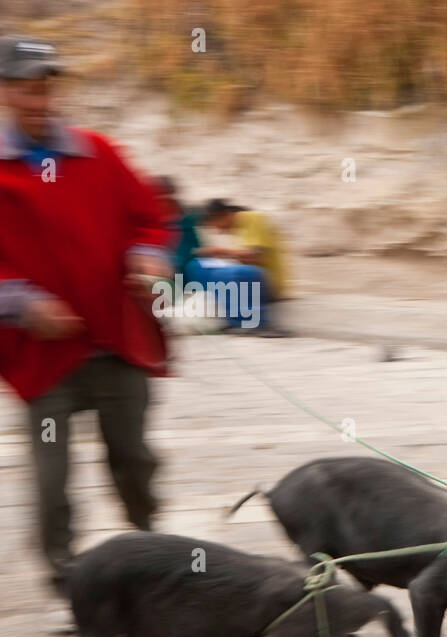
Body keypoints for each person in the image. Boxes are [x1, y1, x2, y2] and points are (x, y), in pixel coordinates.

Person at [0, 35, 171, 607]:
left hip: (116, 345)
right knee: (52, 483)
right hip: (44, 358)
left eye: (47, 85)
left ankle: (149, 557)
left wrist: (147, 257)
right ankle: (66, 580)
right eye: (27, 87)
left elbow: (149, 219)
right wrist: (22, 303)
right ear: (5, 92)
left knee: (134, 461)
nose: (40, 98)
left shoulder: (99, 152)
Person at [189, 198, 290, 336]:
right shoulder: (238, 228)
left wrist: (221, 252)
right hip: (253, 279)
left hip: (269, 281)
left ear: (224, 215)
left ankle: (257, 323)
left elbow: (255, 257)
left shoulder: (254, 218)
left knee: (237, 273)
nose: (218, 231)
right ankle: (235, 320)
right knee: (198, 267)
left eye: (215, 225)